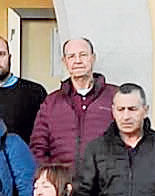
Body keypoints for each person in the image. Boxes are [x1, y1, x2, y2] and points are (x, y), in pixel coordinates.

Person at [29, 37, 117, 168]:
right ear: (65, 62)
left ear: (93, 58)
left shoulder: (114, 96)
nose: (77, 61)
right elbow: (38, 148)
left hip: (105, 184)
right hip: (64, 184)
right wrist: (53, 179)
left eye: (83, 55)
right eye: (71, 56)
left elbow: (128, 140)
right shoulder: (51, 102)